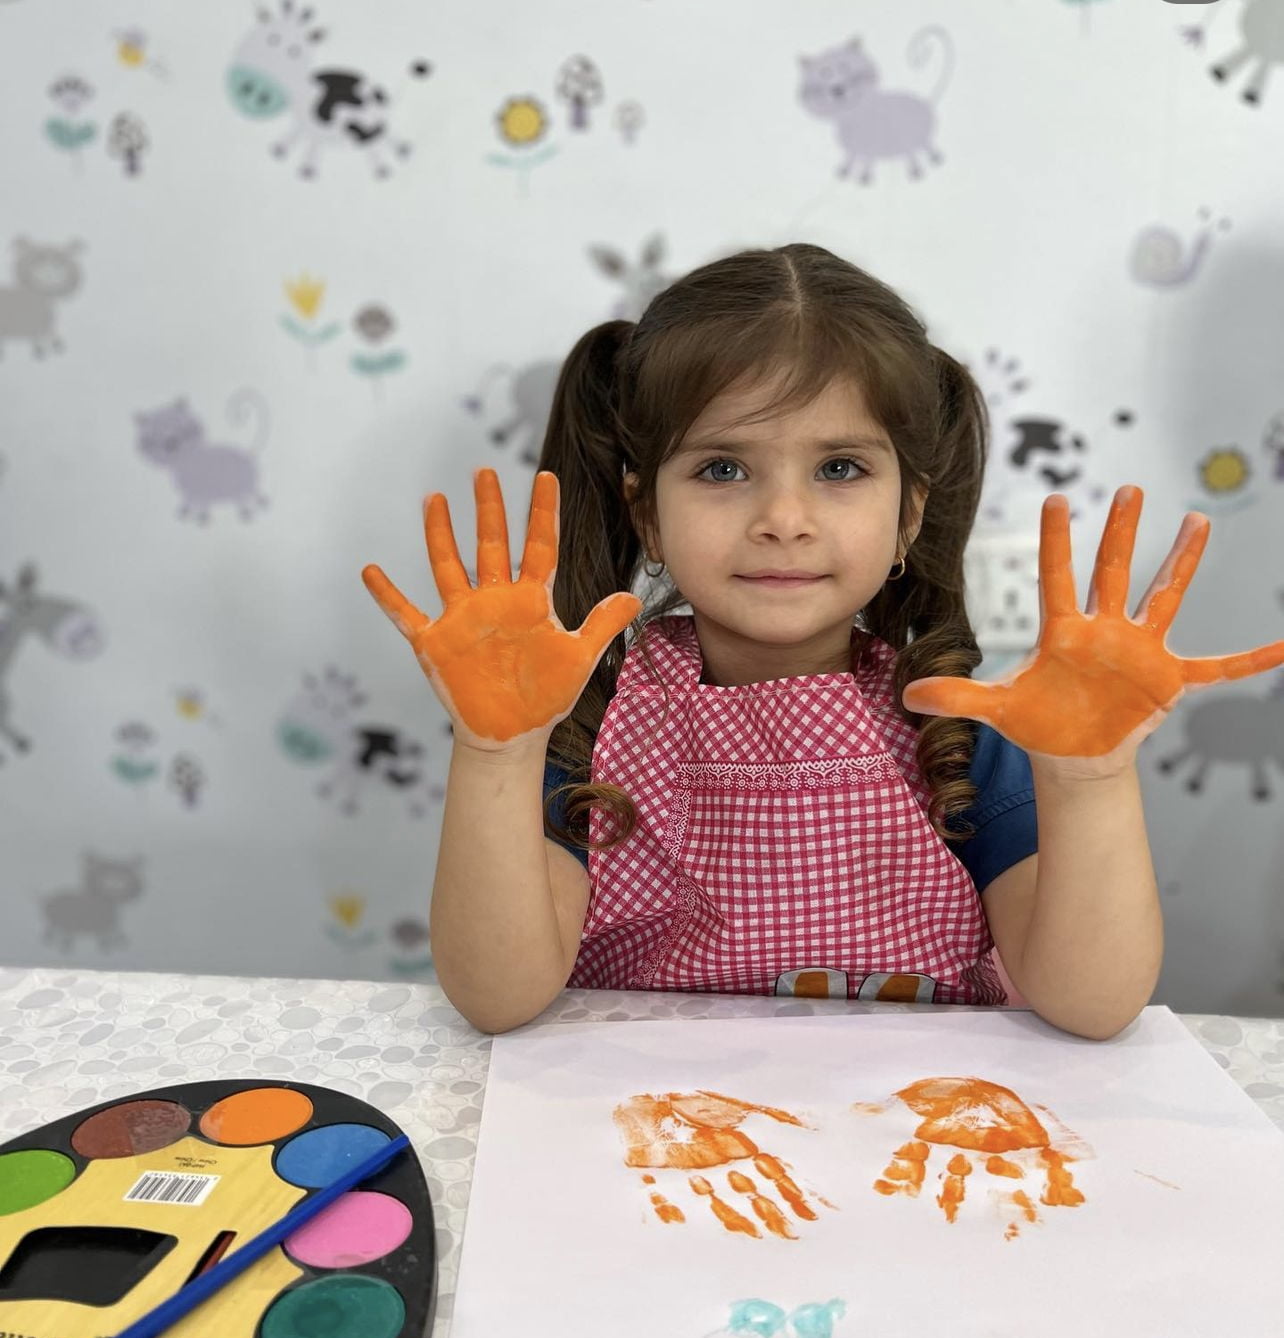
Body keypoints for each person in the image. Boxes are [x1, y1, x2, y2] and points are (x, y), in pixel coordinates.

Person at [362, 243, 1284, 1038]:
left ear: (908, 513)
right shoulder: (581, 731)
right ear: (647, 511)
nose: (784, 518)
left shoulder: (962, 746)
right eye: (723, 468)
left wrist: (1090, 779)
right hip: (653, 1166)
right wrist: (496, 753)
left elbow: (1094, 1005)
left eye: (840, 468)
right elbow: (498, 998)